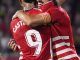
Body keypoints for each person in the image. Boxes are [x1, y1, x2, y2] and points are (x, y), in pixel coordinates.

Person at [12, 0, 80, 60]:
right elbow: (40, 40)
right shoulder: (44, 12)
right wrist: (21, 44)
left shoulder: (55, 10)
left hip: (66, 57)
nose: (39, 1)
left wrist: (19, 13)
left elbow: (30, 21)